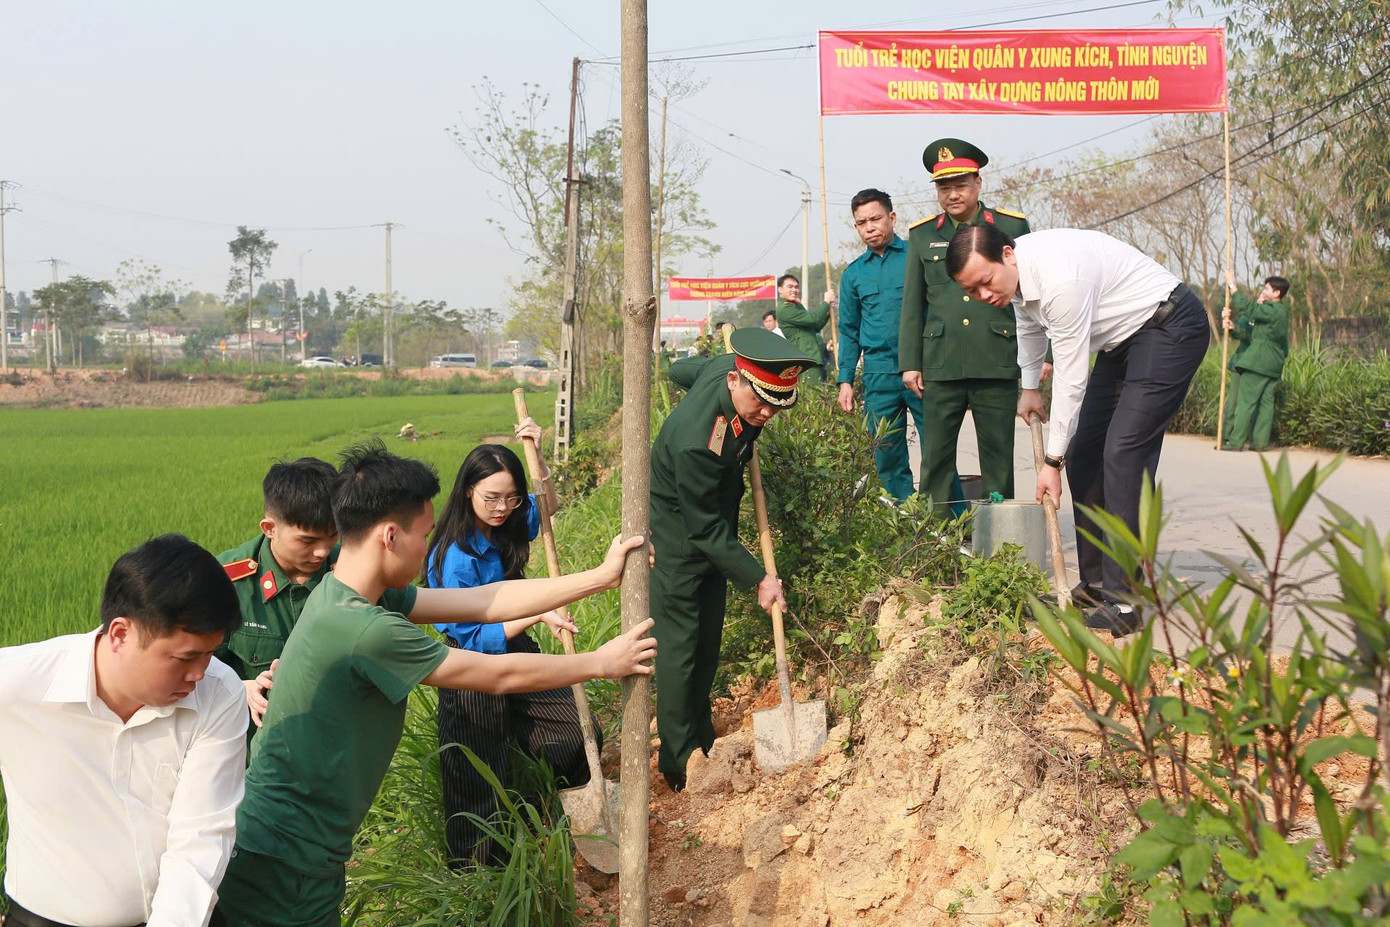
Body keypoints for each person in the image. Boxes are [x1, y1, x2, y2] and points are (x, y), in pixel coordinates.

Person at [216, 441, 656, 927]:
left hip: (299, 847)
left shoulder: (351, 591)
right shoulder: (363, 627)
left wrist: (600, 577)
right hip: (284, 858)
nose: (430, 546)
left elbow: (483, 601)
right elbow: (498, 674)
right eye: (424, 534)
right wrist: (601, 662)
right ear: (389, 536)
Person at [947, 224, 1209, 635]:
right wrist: (1030, 388)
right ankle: (1097, 585)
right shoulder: (1016, 280)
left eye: (985, 282)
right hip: (1122, 342)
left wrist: (1051, 461)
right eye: (973, 291)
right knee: (1086, 452)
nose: (984, 296)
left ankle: (1126, 603)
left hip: (1169, 328)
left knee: (1122, 452)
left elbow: (1071, 378)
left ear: (1007, 255)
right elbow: (1029, 329)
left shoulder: (1060, 280)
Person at [0, 534, 246, 927]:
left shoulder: (218, 694)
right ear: (120, 634)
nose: (200, 672)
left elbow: (202, 836)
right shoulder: (18, 685)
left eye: (210, 653)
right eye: (186, 657)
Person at [650, 327, 813, 792]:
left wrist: (741, 409)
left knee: (707, 643)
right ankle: (681, 766)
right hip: (681, 542)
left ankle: (703, 741)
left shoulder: (726, 369)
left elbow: (682, 368)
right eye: (760, 402)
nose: (767, 413)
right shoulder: (694, 440)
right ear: (737, 381)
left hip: (714, 532)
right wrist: (760, 578)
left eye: (777, 405)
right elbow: (703, 529)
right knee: (681, 651)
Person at [424, 425, 593, 867]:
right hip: (469, 668)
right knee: (477, 779)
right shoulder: (452, 556)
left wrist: (536, 455)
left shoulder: (512, 518)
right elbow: (474, 636)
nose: (502, 508)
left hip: (516, 650)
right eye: (491, 498)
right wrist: (541, 610)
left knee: (577, 728)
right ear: (467, 492)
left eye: (511, 497)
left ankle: (550, 812)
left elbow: (548, 505)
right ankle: (477, 877)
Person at [899, 138, 1032, 512]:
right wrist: (910, 362)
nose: (952, 194)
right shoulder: (922, 234)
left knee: (998, 459)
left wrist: (1044, 356)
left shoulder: (1010, 226)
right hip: (941, 363)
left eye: (960, 185)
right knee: (936, 459)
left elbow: (1033, 290)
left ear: (978, 182)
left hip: (996, 357)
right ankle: (936, 542)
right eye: (944, 187)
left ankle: (999, 543)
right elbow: (913, 304)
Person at [216, 457, 340, 743]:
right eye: (307, 541)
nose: (322, 552)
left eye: (333, 536)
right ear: (269, 528)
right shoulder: (223, 583)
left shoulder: (350, 572)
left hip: (331, 750)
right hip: (249, 754)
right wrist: (239, 687)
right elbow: (188, 667)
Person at [835, 188, 925, 502]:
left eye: (875, 218)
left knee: (937, 450)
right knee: (886, 454)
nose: (870, 227)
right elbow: (848, 331)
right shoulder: (853, 275)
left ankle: (946, 525)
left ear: (892, 217)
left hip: (922, 370)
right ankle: (902, 519)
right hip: (878, 375)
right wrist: (845, 380)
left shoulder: (918, 257)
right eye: (862, 223)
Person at [1222, 273, 1291, 452]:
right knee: (1266, 405)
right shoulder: (1282, 312)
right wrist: (1234, 328)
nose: (1264, 291)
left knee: (1246, 403)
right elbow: (1255, 335)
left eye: (1267, 289)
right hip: (1273, 366)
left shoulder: (1272, 309)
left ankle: (1235, 442)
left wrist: (1232, 286)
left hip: (1257, 364)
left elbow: (1247, 308)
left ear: (1277, 293)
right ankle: (1259, 443)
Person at [775, 273, 836, 386]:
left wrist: (827, 312)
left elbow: (815, 326)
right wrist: (826, 302)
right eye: (790, 287)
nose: (794, 290)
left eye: (796, 287)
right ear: (780, 289)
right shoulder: (784, 309)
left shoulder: (794, 306)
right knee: (812, 397)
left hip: (814, 357)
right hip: (806, 359)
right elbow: (813, 319)